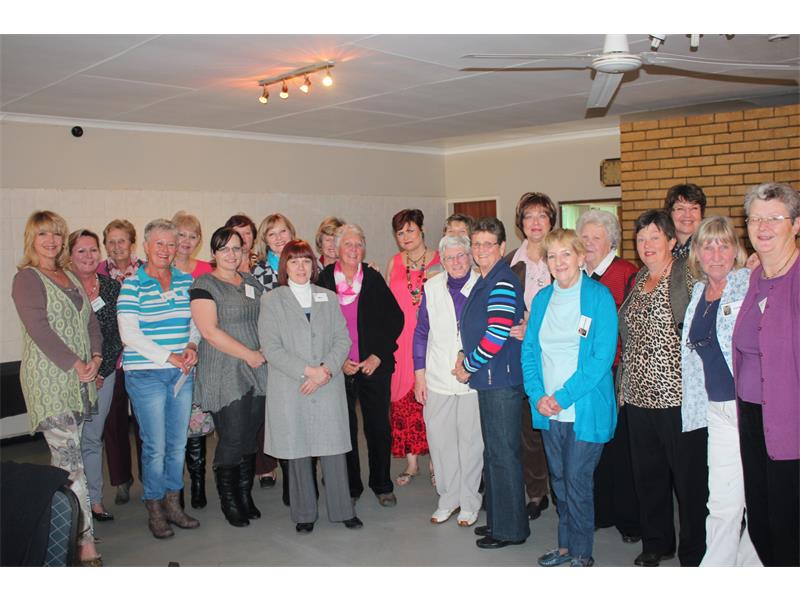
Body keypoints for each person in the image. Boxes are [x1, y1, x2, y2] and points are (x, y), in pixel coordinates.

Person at [522, 229, 618, 567]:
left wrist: (562, 397)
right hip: (549, 410)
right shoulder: (542, 299)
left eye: (566, 254)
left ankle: (581, 553)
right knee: (560, 481)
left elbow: (602, 358)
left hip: (583, 409)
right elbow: (529, 351)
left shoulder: (599, 297)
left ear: (580, 257)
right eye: (552, 255)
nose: (559, 261)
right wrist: (538, 396)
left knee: (577, 480)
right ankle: (564, 548)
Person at [12, 211, 103, 566]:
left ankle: (58, 527)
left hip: (79, 381)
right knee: (71, 462)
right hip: (49, 381)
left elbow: (91, 323)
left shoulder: (70, 275)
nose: (50, 241)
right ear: (31, 239)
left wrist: (96, 357)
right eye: (43, 234)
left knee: (67, 460)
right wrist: (77, 363)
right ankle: (83, 542)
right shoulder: (27, 278)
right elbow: (39, 329)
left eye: (56, 234)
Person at [618, 209, 707, 567]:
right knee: (649, 477)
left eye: (655, 237)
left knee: (689, 482)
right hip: (638, 397)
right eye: (641, 238)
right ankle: (657, 542)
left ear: (671, 241)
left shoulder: (688, 276)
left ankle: (694, 551)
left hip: (677, 397)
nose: (647, 244)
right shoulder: (637, 279)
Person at [259, 240, 363, 533]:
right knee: (298, 449)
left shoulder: (327, 297)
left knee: (334, 449)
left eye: (306, 261)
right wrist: (309, 373)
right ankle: (304, 513)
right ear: (285, 266)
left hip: (327, 382)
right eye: (294, 261)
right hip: (292, 385)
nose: (301, 267)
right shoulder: (272, 300)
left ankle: (343, 510)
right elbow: (271, 347)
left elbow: (342, 339)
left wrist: (325, 370)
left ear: (313, 265)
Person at [680, 216, 760, 566]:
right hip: (717, 411)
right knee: (721, 503)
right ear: (696, 253)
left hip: (751, 409)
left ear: (736, 250)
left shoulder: (749, 283)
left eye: (723, 245)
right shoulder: (699, 293)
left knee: (757, 501)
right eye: (707, 246)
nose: (716, 254)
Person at [117, 219, 201, 539]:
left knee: (178, 443)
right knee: (155, 446)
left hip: (181, 374)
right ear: (146, 247)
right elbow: (129, 334)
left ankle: (173, 505)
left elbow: (196, 322)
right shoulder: (132, 284)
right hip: (145, 374)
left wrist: (192, 345)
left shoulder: (186, 280)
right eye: (160, 244)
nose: (166, 250)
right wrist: (169, 356)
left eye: (171, 244)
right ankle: (154, 508)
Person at [732, 182, 800, 567]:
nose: (762, 226)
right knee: (761, 519)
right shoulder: (755, 277)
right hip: (753, 417)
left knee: (789, 524)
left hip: (791, 421)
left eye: (774, 217)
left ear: (796, 224)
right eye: (755, 218)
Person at [453, 217, 529, 549]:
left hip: (499, 381)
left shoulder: (501, 282)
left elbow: (496, 335)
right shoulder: (486, 279)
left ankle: (511, 530)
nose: (481, 249)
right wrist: (464, 356)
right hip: (489, 379)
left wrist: (467, 366)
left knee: (503, 455)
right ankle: (498, 521)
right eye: (476, 244)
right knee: (494, 454)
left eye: (488, 244)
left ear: (501, 247)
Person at [317, 224, 404, 507]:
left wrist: (378, 355)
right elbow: (317, 326)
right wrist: (337, 360)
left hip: (373, 366)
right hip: (338, 367)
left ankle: (382, 484)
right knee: (345, 429)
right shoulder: (324, 280)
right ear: (337, 249)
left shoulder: (373, 277)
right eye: (348, 244)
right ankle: (351, 486)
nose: (354, 250)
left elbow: (395, 319)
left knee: (378, 428)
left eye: (358, 244)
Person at [190, 227, 267, 527]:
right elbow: (209, 331)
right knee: (233, 437)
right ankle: (229, 500)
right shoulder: (204, 284)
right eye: (224, 249)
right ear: (214, 253)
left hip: (256, 368)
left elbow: (265, 318)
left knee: (249, 436)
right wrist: (248, 354)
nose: (231, 254)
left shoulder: (250, 282)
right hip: (224, 370)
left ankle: (245, 495)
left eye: (237, 248)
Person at [576, 209, 641, 544]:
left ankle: (630, 519)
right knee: (595, 443)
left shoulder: (626, 273)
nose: (588, 243)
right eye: (584, 237)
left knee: (621, 450)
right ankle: (602, 511)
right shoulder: (578, 276)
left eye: (596, 237)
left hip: (617, 372)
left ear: (611, 241)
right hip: (587, 374)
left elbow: (633, 330)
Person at [413, 234, 483, 526]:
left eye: (461, 255)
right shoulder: (431, 287)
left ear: (470, 257)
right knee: (441, 443)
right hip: (438, 379)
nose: (456, 262)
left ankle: (469, 502)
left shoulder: (482, 285)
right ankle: (448, 498)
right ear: (441, 261)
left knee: (471, 444)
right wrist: (419, 376)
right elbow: (421, 333)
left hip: (472, 380)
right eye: (450, 257)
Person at [504, 192, 556, 521]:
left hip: (559, 356)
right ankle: (537, 492)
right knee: (529, 429)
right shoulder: (510, 262)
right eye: (529, 216)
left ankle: (564, 490)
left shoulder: (563, 256)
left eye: (542, 215)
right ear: (520, 223)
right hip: (523, 357)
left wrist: (535, 328)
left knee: (559, 426)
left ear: (551, 221)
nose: (535, 222)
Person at [68, 229, 123, 525]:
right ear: (69, 255)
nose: (89, 256)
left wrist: (100, 370)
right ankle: (71, 505)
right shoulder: (62, 285)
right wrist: (83, 368)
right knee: (69, 443)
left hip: (105, 373)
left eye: (93, 250)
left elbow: (116, 333)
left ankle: (95, 501)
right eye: (81, 251)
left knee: (92, 438)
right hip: (69, 374)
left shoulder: (111, 287)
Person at [385, 209, 442, 487]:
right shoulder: (394, 262)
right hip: (400, 342)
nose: (405, 237)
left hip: (432, 340)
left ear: (422, 229)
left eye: (410, 230)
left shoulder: (441, 259)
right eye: (400, 232)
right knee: (403, 404)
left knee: (432, 402)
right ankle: (411, 463)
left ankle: (435, 463)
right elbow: (385, 303)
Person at [97, 218, 144, 506]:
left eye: (122, 241)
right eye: (111, 242)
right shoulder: (97, 273)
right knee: (112, 423)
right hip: (110, 360)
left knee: (144, 422)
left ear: (132, 243)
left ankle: (149, 477)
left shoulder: (146, 271)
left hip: (142, 359)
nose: (117, 247)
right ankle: (121, 480)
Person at [251, 213, 297, 496]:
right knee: (272, 413)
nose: (279, 238)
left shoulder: (304, 261)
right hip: (272, 352)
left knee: (296, 414)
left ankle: (296, 473)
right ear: (264, 240)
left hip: (303, 351)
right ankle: (267, 465)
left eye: (283, 231)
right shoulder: (256, 271)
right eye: (272, 234)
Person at [171, 211, 214, 509]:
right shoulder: (160, 267)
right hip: (170, 356)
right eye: (181, 234)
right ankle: (176, 488)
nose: (186, 241)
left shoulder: (207, 270)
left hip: (203, 354)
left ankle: (198, 484)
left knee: (196, 422)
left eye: (193, 236)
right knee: (174, 426)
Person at [664, 183, 706, 260]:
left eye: (694, 208)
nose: (687, 215)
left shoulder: (712, 248)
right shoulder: (662, 249)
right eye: (680, 209)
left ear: (701, 213)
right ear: (670, 213)